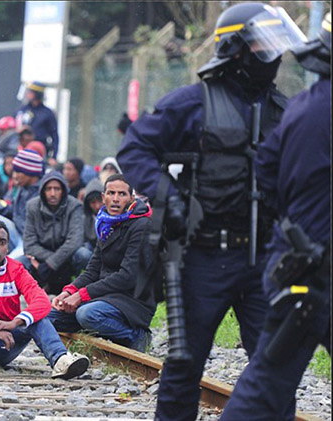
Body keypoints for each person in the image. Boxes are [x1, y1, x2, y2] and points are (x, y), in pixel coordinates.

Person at [116, 4, 306, 420]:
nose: (272, 55)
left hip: (267, 260)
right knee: (185, 365)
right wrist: (169, 197)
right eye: (262, 44)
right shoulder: (192, 103)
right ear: (235, 49)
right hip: (203, 256)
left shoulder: (286, 110)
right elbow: (135, 148)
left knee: (277, 366)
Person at [220, 13, 331, 421]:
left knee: (266, 382)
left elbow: (266, 172)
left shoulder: (302, 105)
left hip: (297, 263)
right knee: (265, 385)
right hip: (314, 274)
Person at [0, 219, 90, 379]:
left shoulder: (17, 270)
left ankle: (61, 360)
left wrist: (13, 323)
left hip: (6, 344)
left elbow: (42, 301)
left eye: (2, 242)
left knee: (38, 319)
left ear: (7, 247)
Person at [47, 174, 154, 352]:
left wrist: (81, 295)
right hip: (105, 296)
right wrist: (69, 291)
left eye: (121, 194)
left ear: (131, 198)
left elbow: (127, 276)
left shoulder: (142, 225)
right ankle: (105, 331)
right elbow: (93, 270)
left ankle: (136, 335)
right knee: (49, 317)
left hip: (132, 300)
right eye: (111, 193)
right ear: (104, 197)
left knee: (87, 314)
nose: (115, 199)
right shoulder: (106, 223)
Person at [20, 170, 92, 294]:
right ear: (43, 191)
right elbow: (29, 244)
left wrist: (52, 263)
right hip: (42, 256)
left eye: (57, 189)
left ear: (63, 190)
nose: (52, 194)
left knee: (84, 255)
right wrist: (50, 261)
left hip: (68, 257)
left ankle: (78, 287)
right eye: (48, 189)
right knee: (19, 263)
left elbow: (75, 240)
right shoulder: (32, 206)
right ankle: (30, 293)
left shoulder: (74, 206)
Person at [15, 82, 59, 159]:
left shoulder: (47, 113)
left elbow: (54, 136)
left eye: (30, 92)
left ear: (37, 94)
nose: (27, 94)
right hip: (21, 150)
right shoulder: (22, 110)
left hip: (38, 151)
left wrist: (53, 157)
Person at [11, 149, 44, 236]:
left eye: (18, 172)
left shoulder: (42, 193)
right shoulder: (22, 188)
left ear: (30, 172)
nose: (15, 176)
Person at [82, 178, 104, 250]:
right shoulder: (83, 220)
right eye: (93, 202)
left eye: (100, 201)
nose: (97, 206)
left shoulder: (114, 218)